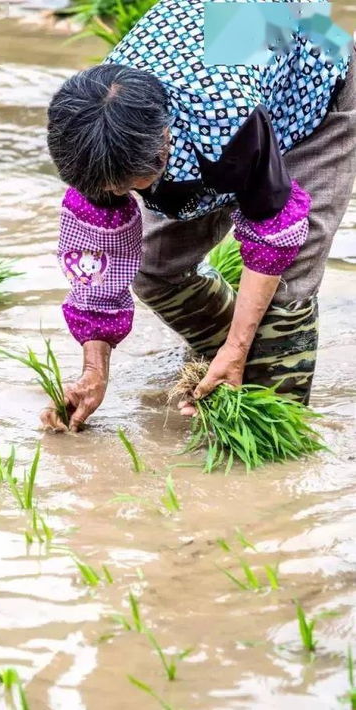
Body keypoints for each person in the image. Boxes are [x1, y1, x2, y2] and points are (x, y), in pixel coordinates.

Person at [42, 0, 356, 433]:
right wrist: (94, 372)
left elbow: (272, 228)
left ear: (166, 138)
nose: (122, 197)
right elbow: (100, 258)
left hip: (311, 82)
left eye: (134, 184)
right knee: (154, 267)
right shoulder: (96, 133)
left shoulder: (226, 116)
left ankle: (271, 411)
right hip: (238, 40)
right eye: (116, 190)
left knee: (288, 284)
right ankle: (220, 362)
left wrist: (240, 347)